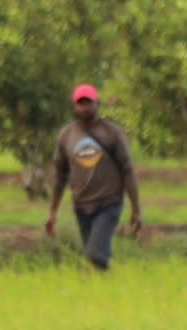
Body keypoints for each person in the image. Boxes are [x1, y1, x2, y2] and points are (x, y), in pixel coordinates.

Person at [46, 84, 142, 270]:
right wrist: (53, 211)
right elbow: (60, 175)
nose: (84, 108)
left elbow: (128, 170)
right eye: (80, 104)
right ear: (74, 106)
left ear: (97, 104)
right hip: (81, 205)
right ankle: (108, 292)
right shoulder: (66, 135)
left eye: (88, 103)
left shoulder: (112, 132)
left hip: (108, 203)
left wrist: (136, 209)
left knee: (94, 254)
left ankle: (87, 286)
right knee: (99, 261)